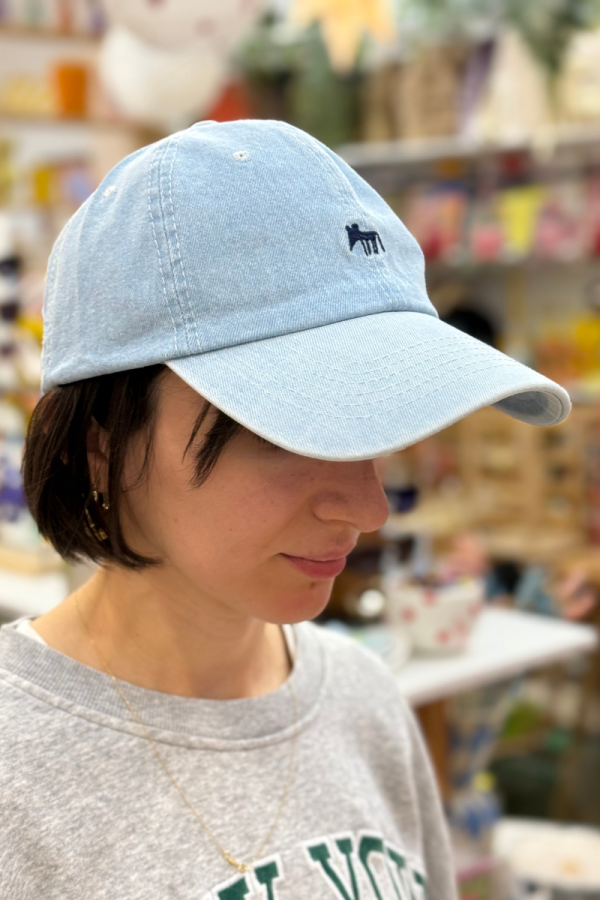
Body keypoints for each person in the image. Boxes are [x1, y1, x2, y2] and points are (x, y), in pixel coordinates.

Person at [0, 119, 570, 899]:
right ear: (102, 447)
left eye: (373, 430)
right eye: (287, 430)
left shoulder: (365, 703)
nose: (368, 507)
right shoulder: (18, 771)